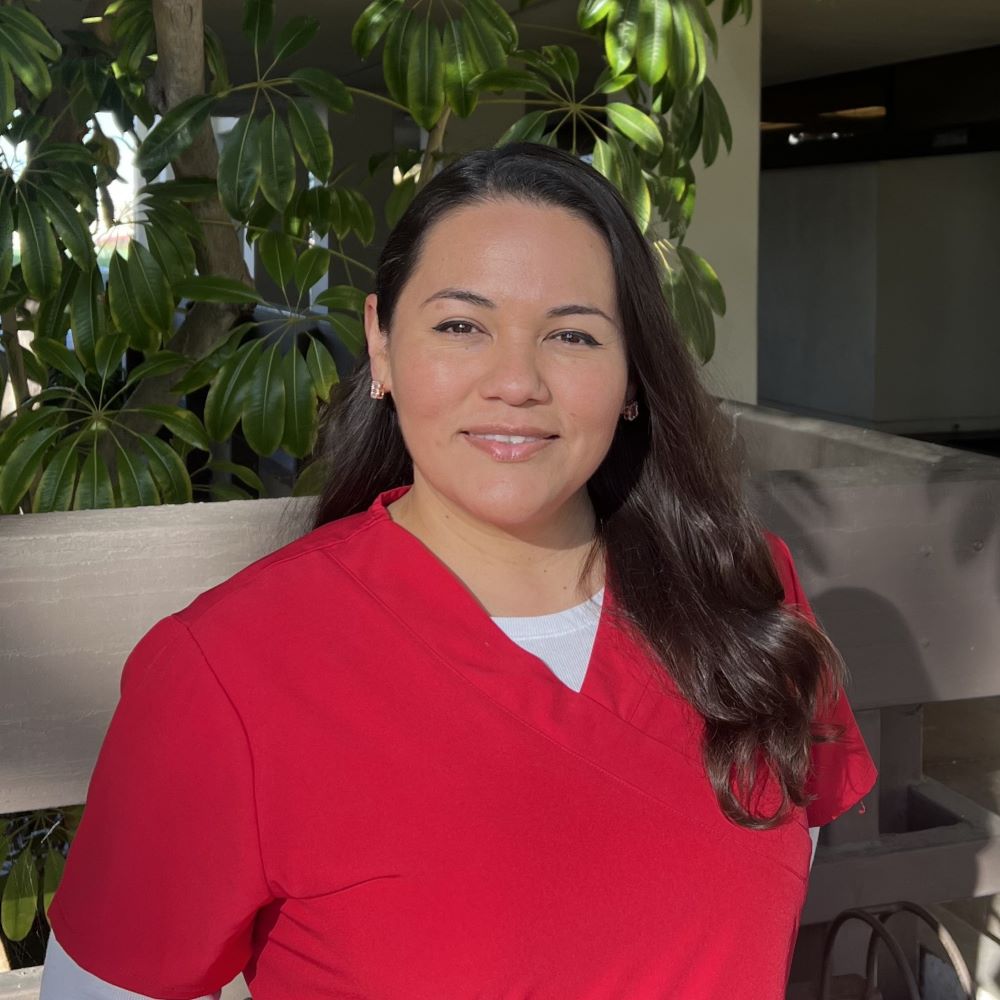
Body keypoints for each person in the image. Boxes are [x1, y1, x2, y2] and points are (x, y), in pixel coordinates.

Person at [41, 142, 877, 1000]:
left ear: (633, 375)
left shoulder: (741, 593)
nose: (515, 382)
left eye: (573, 334)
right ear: (382, 342)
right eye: (460, 326)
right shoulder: (228, 670)